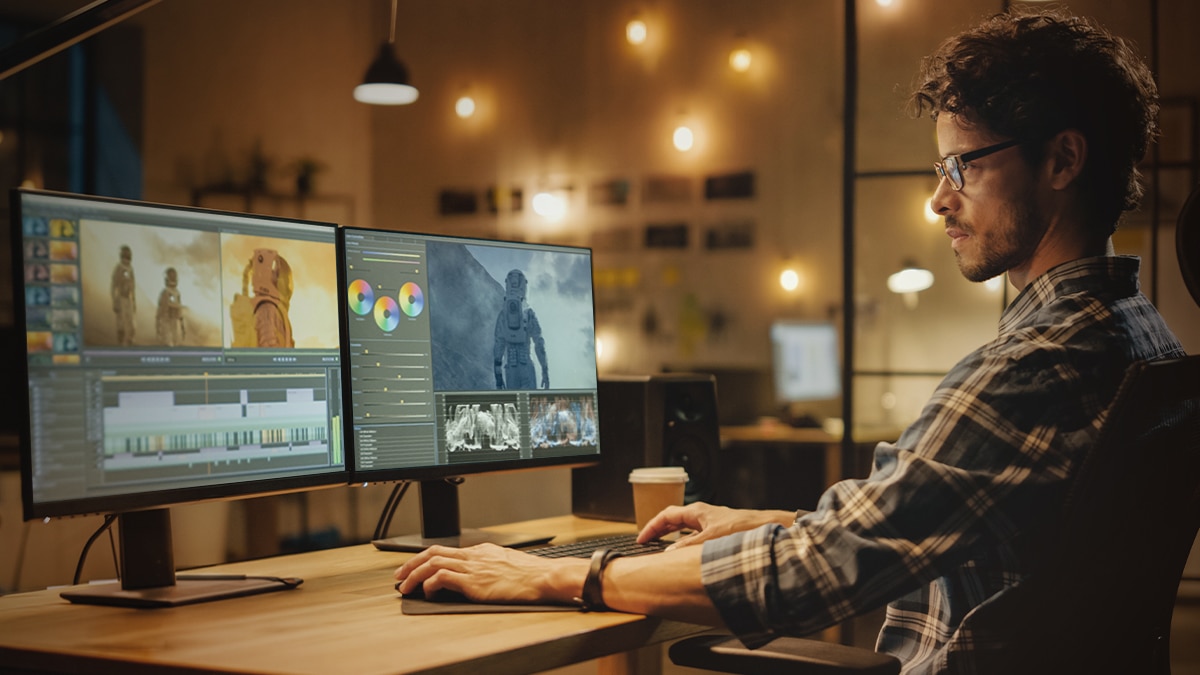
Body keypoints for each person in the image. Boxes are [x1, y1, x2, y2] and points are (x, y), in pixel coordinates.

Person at [395, 8, 1184, 673]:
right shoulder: (1136, 335)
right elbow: (910, 524)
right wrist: (765, 522)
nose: (940, 199)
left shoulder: (1033, 366)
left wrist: (560, 575)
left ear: (1062, 159)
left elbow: (822, 573)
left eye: (962, 165)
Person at [111, 245, 136, 345]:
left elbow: (132, 286)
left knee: (131, 322)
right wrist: (114, 300)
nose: (127, 257)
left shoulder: (130, 269)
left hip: (128, 298)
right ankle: (120, 343)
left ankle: (130, 340)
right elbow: (114, 285)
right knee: (121, 323)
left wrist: (134, 301)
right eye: (125, 254)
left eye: (128, 254)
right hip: (120, 297)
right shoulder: (119, 268)